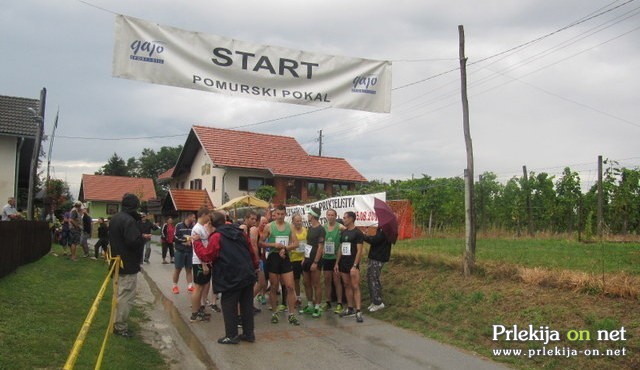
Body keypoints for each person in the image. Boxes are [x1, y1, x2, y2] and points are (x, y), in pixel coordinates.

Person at [200, 211, 258, 344]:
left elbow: (207, 256)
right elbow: (250, 250)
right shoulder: (239, 231)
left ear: (210, 223)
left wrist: (197, 243)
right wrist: (255, 266)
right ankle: (249, 334)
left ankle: (231, 336)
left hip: (231, 276)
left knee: (228, 305)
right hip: (247, 273)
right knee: (246, 305)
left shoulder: (216, 236)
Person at [109, 193, 151, 337]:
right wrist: (142, 239)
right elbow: (132, 242)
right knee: (126, 296)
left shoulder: (116, 218)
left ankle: (116, 322)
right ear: (135, 206)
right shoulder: (128, 221)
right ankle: (120, 327)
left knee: (119, 294)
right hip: (127, 263)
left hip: (117, 262)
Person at [260, 204, 300, 326]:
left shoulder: (290, 227)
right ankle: (275, 312)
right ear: (275, 214)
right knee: (273, 286)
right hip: (273, 257)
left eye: (282, 214)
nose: (280, 216)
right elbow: (261, 243)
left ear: (285, 214)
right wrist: (274, 245)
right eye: (278, 214)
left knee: (290, 286)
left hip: (285, 257)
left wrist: (285, 248)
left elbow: (296, 243)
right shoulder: (269, 226)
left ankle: (292, 314)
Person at [334, 211, 365, 323]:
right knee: (346, 285)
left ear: (351, 219)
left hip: (353, 264)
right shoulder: (344, 232)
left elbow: (359, 251)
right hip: (343, 263)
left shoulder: (358, 233)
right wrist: (337, 263)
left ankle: (358, 311)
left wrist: (355, 266)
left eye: (345, 218)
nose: (343, 220)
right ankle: (350, 308)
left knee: (355, 286)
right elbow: (341, 249)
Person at [189, 207, 215, 322]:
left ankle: (199, 309)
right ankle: (194, 314)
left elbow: (206, 243)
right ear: (204, 214)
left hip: (205, 260)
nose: (209, 218)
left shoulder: (202, 228)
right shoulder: (196, 229)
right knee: (198, 287)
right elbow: (197, 248)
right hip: (199, 261)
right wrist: (204, 263)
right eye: (208, 215)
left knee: (203, 285)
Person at [299, 207, 325, 318]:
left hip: (315, 260)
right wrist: (305, 258)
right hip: (307, 258)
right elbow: (308, 244)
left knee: (316, 284)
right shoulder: (310, 228)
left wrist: (315, 262)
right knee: (306, 282)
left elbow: (320, 247)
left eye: (309, 214)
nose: (307, 215)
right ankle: (309, 305)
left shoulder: (321, 229)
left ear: (313, 216)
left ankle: (318, 307)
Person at [364, 226, 393, 312]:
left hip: (378, 257)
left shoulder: (385, 229)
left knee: (373, 278)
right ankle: (374, 300)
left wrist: (365, 236)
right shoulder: (381, 229)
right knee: (371, 277)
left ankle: (378, 302)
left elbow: (374, 241)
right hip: (375, 256)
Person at [322, 208, 345, 313]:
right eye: (329, 215)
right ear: (326, 216)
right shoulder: (324, 227)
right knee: (327, 280)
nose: (330, 217)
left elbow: (347, 230)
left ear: (335, 216)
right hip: (326, 257)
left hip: (336, 258)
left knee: (336, 281)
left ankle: (339, 303)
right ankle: (328, 302)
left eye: (332, 215)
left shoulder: (339, 227)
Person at [172, 213, 195, 294]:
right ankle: (175, 286)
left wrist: (191, 241)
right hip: (180, 251)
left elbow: (195, 237)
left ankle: (190, 286)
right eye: (193, 217)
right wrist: (185, 241)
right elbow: (175, 237)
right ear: (188, 217)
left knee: (189, 269)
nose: (194, 218)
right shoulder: (179, 225)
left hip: (189, 251)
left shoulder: (194, 226)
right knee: (178, 269)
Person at [290, 214, 306, 309]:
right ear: (293, 222)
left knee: (307, 280)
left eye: (300, 220)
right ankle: (298, 298)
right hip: (294, 259)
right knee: (296, 280)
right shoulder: (291, 232)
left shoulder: (305, 230)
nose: (299, 222)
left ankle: (310, 299)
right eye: (297, 221)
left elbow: (308, 243)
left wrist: (306, 257)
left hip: (304, 259)